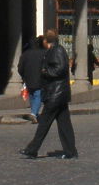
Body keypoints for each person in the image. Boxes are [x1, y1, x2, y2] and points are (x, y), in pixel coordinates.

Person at [18, 29, 77, 159]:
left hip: (55, 94)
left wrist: (45, 71)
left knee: (44, 122)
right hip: (58, 93)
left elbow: (60, 69)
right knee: (64, 124)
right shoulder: (53, 50)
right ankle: (71, 151)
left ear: (46, 41)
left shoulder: (57, 50)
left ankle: (32, 149)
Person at [18, 36, 46, 122]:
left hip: (28, 79)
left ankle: (35, 114)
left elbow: (20, 68)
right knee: (38, 95)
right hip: (39, 78)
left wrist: (24, 76)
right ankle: (33, 113)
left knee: (32, 95)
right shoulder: (43, 53)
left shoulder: (25, 54)